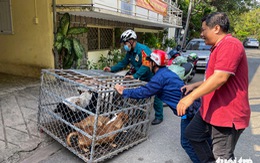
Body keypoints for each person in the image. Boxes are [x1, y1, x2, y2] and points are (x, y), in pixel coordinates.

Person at [176, 12, 251, 163]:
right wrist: (195, 86)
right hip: (210, 111)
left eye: (204, 30)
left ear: (216, 28)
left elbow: (220, 77)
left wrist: (190, 98)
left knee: (223, 157)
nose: (201, 34)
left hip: (226, 115)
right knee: (192, 134)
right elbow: (213, 78)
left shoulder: (230, 44)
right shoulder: (217, 47)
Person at [115, 49, 201, 163]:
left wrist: (124, 92)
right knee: (200, 139)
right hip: (194, 107)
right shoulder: (167, 72)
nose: (148, 64)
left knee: (187, 142)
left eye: (150, 61)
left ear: (154, 63)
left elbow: (144, 92)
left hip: (190, 111)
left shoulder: (159, 78)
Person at [103, 29, 164, 125]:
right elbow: (123, 62)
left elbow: (146, 64)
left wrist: (135, 76)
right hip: (142, 76)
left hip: (151, 75)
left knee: (156, 96)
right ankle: (140, 113)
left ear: (131, 41)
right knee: (141, 94)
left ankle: (159, 116)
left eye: (125, 43)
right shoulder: (130, 52)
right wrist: (111, 69)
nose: (124, 45)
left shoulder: (142, 50)